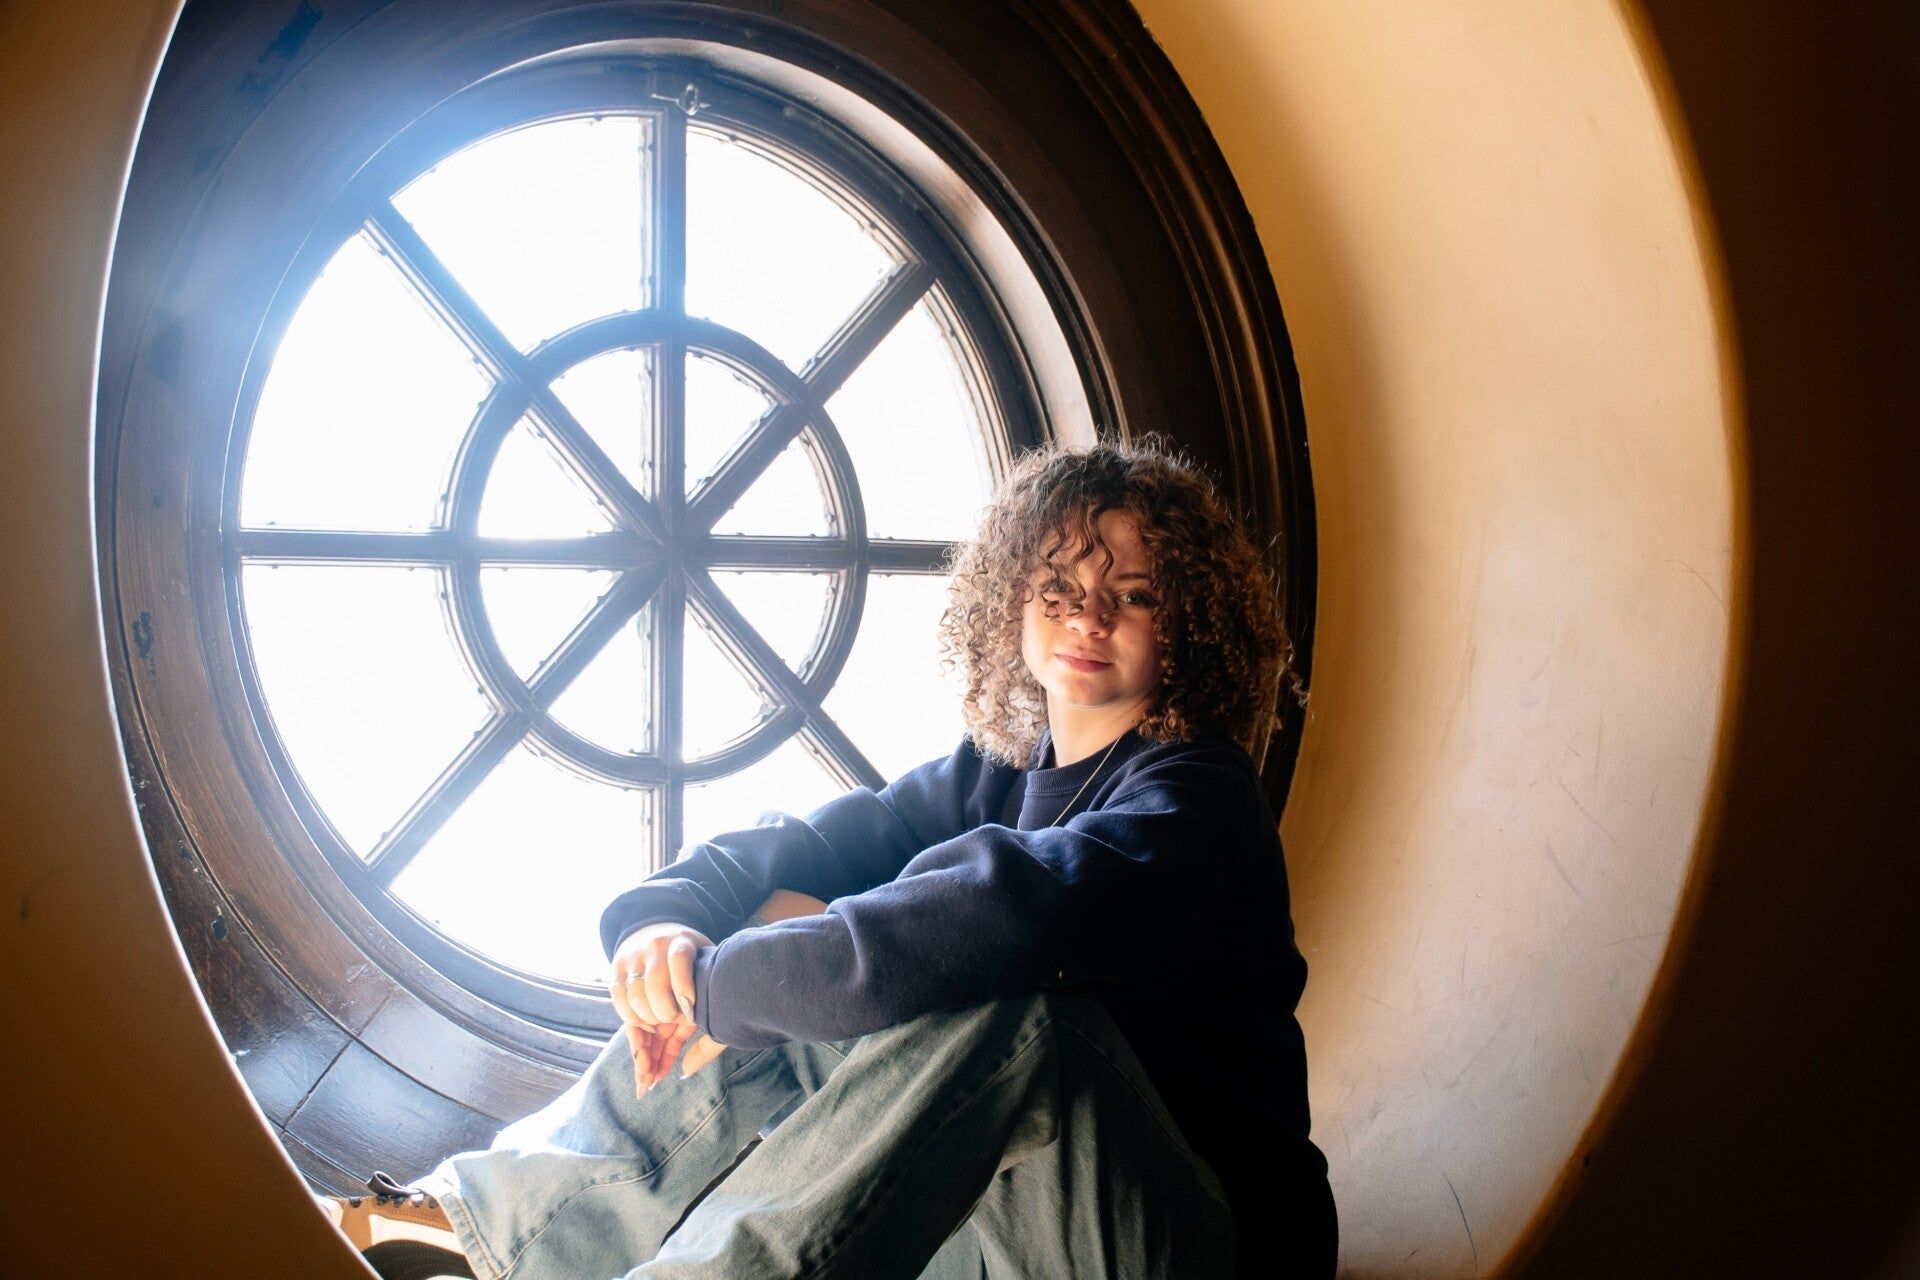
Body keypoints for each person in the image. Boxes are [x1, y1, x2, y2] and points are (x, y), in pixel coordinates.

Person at [322, 436, 1337, 1279]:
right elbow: (806, 844)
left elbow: (1021, 914)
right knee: (793, 931)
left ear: (1191, 624)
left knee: (1021, 1011)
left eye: (1135, 592)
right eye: (1059, 583)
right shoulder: (985, 778)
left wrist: (729, 988)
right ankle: (487, 1237)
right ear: (1011, 600)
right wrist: (668, 922)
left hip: (1195, 1246)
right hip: (1005, 1244)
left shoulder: (1198, 793)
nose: (1087, 614)